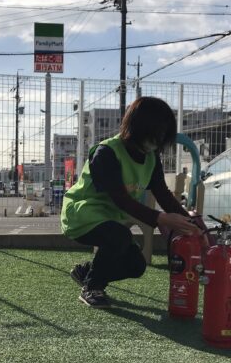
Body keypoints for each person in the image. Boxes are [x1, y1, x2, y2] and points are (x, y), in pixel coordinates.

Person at [61, 97, 203, 309]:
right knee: (119, 236)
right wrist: (162, 219)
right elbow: (121, 200)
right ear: (138, 127)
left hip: (110, 220)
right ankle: (92, 287)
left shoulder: (151, 158)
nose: (157, 141)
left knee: (136, 266)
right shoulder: (106, 152)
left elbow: (163, 194)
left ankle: (87, 272)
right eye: (155, 134)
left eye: (162, 135)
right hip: (81, 216)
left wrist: (192, 223)